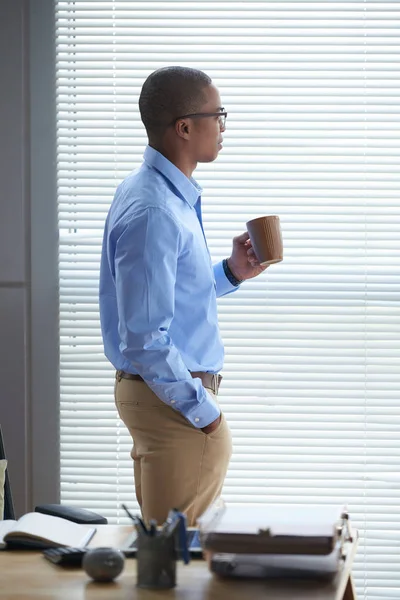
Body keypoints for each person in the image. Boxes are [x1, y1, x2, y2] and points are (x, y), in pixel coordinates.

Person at [99, 66, 268, 527]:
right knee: (175, 567)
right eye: (219, 115)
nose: (224, 126)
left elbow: (170, 297)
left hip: (163, 399)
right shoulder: (155, 210)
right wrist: (204, 414)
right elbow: (145, 339)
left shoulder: (159, 196)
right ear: (185, 127)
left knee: (165, 559)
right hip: (174, 404)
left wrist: (232, 272)